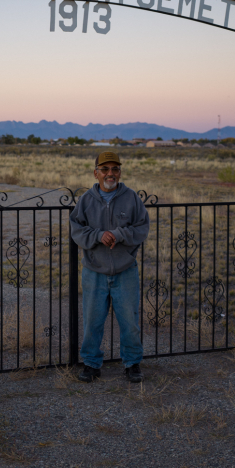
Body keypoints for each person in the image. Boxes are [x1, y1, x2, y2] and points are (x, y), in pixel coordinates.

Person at [70, 151, 150, 383]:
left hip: (125, 270)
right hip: (94, 270)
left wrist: (118, 234)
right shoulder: (86, 200)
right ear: (96, 173)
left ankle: (132, 363)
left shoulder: (131, 198)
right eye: (105, 169)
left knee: (129, 321)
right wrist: (97, 235)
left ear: (120, 172)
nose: (110, 173)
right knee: (93, 321)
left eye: (115, 168)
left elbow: (142, 228)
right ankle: (91, 364)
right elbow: (77, 229)